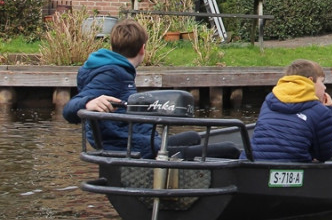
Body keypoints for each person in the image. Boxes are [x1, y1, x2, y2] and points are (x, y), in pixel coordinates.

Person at [63, 19, 239, 160]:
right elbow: (70, 109)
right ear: (143, 49)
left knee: (193, 136)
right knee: (230, 149)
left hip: (134, 141)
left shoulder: (115, 68)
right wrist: (88, 102)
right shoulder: (112, 73)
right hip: (130, 147)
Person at [247, 59, 332, 162]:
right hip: (294, 169)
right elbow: (325, 155)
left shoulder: (269, 100)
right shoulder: (320, 111)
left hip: (255, 166)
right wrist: (330, 111)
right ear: (310, 81)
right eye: (322, 82)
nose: (325, 87)